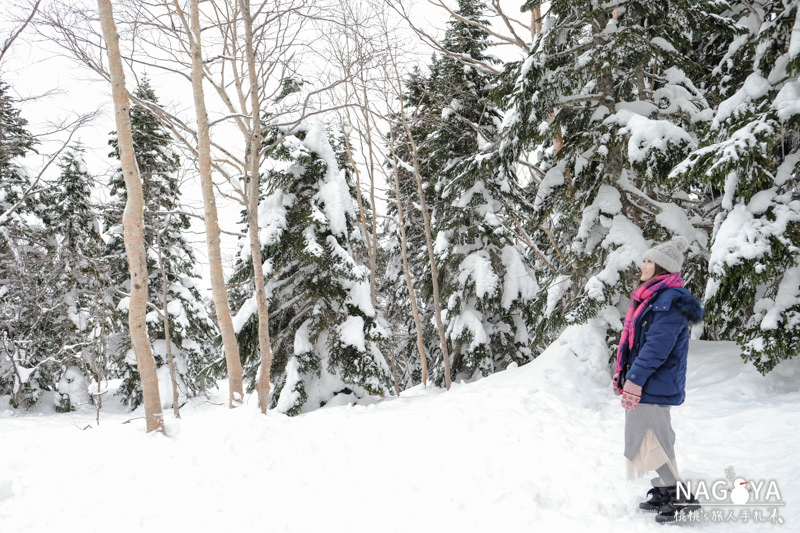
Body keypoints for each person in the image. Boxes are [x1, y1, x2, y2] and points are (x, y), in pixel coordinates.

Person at [612, 236, 704, 524]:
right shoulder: (654, 297)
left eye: (649, 261)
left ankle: (679, 495)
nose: (643, 265)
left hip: (653, 381)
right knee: (652, 437)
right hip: (651, 381)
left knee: (649, 438)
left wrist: (635, 379)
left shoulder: (670, 301)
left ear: (662, 267)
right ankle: (666, 490)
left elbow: (657, 347)